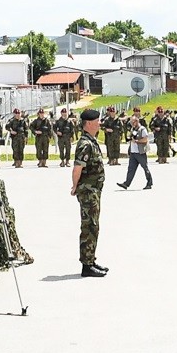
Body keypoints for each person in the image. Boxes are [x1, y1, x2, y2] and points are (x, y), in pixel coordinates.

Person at [69, 108, 108, 278]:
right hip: (88, 192)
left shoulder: (90, 141)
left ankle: (91, 260)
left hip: (93, 191)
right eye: (97, 121)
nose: (99, 123)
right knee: (89, 226)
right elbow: (78, 167)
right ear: (90, 123)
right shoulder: (85, 144)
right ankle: (86, 266)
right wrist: (74, 186)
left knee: (93, 225)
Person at [116, 117, 151, 190]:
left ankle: (149, 183)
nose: (132, 123)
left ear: (137, 121)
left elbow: (145, 139)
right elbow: (130, 137)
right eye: (131, 122)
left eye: (133, 122)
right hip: (133, 153)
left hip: (140, 152)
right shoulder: (133, 129)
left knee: (145, 168)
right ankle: (126, 184)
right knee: (131, 169)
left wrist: (137, 141)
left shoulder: (142, 129)